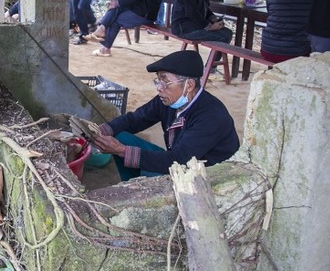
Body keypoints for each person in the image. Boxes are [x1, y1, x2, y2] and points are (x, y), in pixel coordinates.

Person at [91, 50, 239, 181]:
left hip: (205, 174)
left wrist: (122, 151)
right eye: (158, 80)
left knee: (148, 171)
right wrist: (98, 131)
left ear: (189, 85)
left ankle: (143, 190)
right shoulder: (168, 100)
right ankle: (132, 185)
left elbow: (179, 160)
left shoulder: (211, 116)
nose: (159, 88)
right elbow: (135, 119)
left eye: (165, 81)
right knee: (120, 136)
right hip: (177, 160)